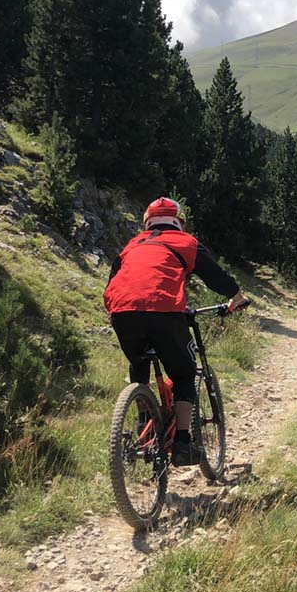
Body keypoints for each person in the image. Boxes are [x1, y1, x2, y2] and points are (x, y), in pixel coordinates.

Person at [104, 197, 246, 466]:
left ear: (147, 222)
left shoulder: (133, 244)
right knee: (183, 374)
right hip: (164, 311)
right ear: (179, 221)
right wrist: (236, 297)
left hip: (122, 310)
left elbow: (114, 279)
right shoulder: (186, 242)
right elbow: (214, 275)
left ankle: (143, 423)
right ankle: (182, 442)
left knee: (139, 362)